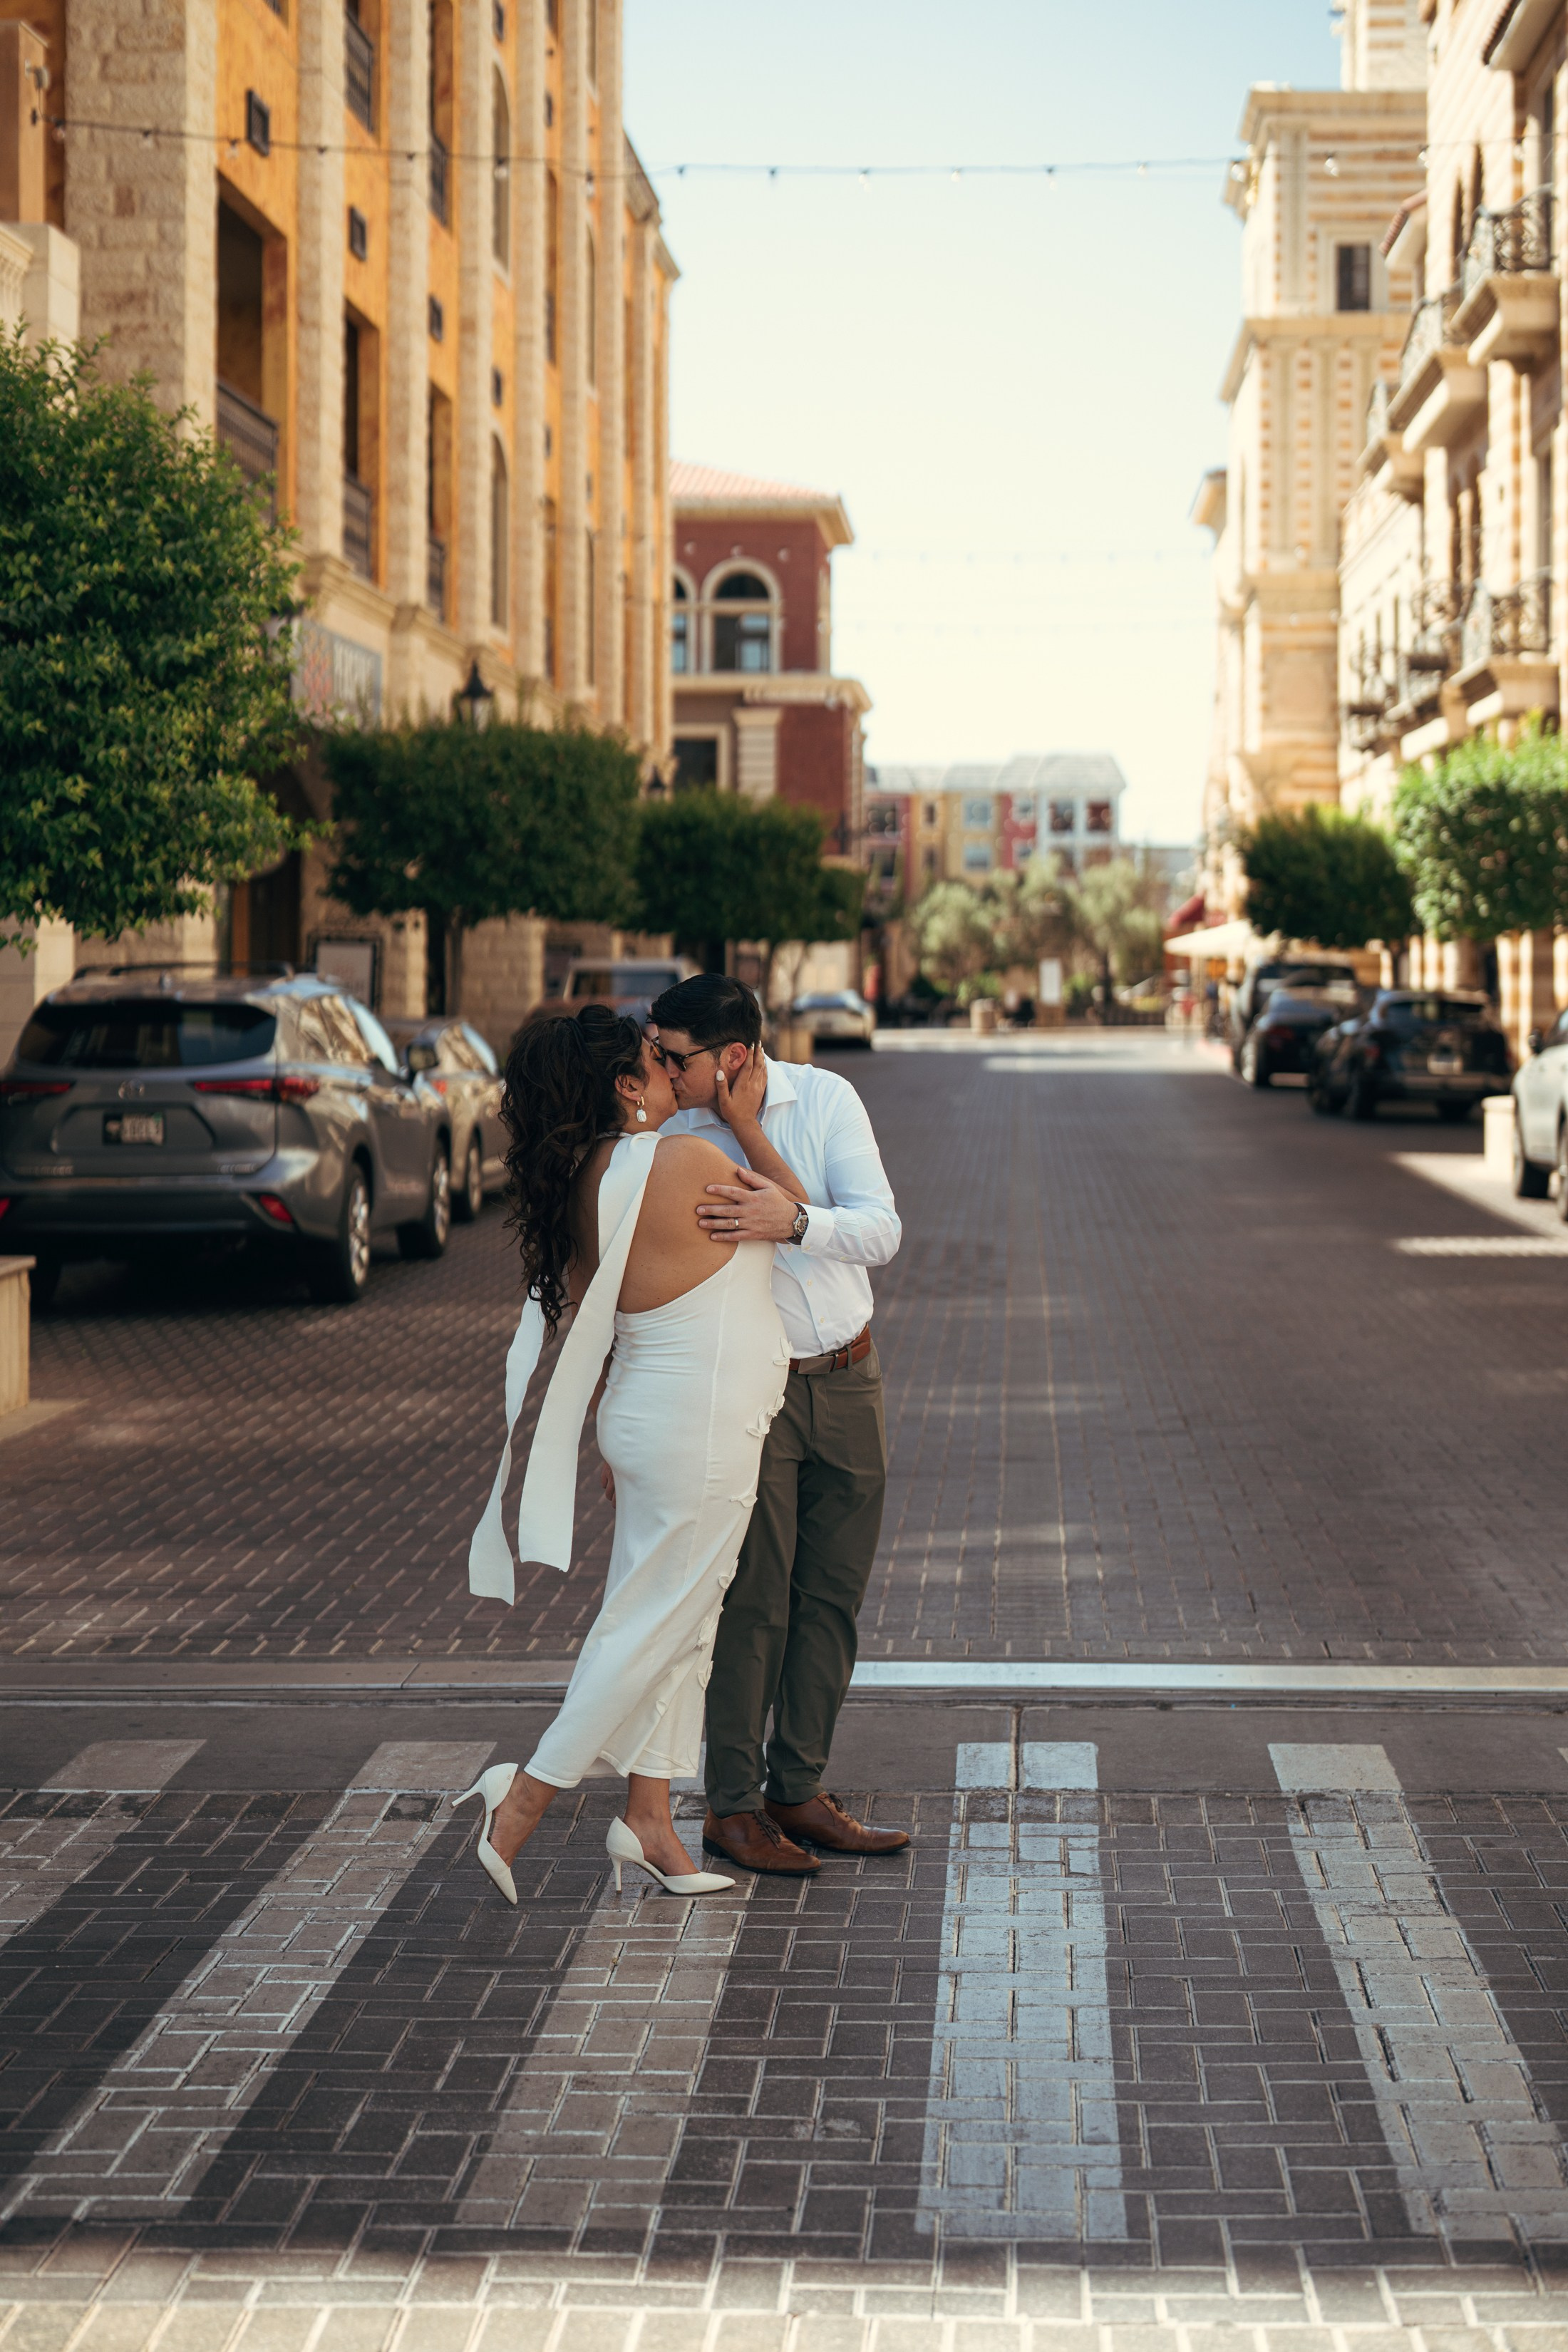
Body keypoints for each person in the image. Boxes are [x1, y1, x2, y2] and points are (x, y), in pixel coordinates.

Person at [459, 1006, 792, 1904]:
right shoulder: (686, 1160)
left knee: (682, 1623)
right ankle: (523, 1797)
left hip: (650, 1419)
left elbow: (598, 1326)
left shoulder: (588, 1180)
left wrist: (612, 1422)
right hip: (701, 1428)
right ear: (624, 1082)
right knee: (655, 1622)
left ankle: (650, 1823)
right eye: (657, 1056)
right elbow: (799, 1218)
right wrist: (744, 1122)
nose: (673, 1069)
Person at [650, 974, 907, 1877]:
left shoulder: (828, 1098)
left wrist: (784, 1209)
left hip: (848, 1376)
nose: (659, 1067)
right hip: (750, 1393)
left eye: (673, 1054)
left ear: (731, 1058)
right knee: (752, 1601)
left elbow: (879, 1233)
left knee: (831, 1596)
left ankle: (797, 1787)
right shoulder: (677, 1138)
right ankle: (732, 1807)